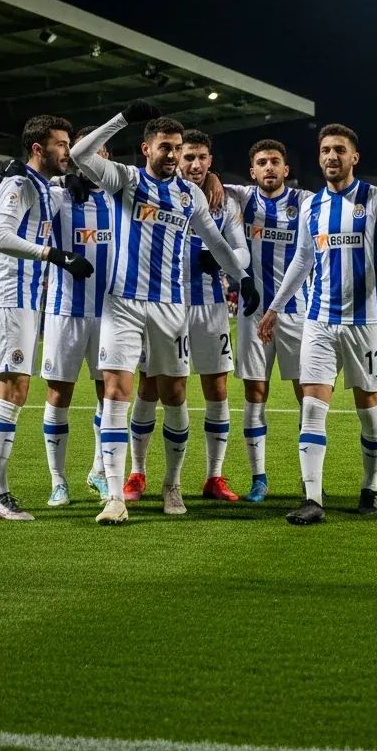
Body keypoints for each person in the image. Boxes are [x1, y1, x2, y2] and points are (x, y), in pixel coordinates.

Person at [70, 103, 258, 525]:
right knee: (118, 393)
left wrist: (240, 277)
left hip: (172, 306)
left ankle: (172, 484)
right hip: (123, 303)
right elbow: (82, 155)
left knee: (174, 396)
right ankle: (115, 496)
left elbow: (216, 239)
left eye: (177, 148)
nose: (173, 156)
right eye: (165, 148)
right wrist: (120, 118)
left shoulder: (188, 194)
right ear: (146, 148)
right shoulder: (126, 179)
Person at [257, 123, 377, 525]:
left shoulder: (376, 199)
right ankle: (312, 498)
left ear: (354, 157)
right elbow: (301, 261)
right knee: (313, 406)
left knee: (368, 410)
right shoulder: (312, 207)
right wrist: (276, 308)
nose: (331, 156)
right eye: (325, 151)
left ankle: (370, 487)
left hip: (366, 324)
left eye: (339, 150)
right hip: (318, 321)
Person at [0, 115, 94, 521]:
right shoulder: (18, 184)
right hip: (8, 295)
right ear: (38, 149)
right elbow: (0, 238)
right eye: (61, 144)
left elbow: (53, 188)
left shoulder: (37, 183)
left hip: (23, 296)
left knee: (2, 391)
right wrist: (53, 255)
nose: (68, 151)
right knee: (14, 389)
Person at [123, 129, 250, 504]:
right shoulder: (156, 189)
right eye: (187, 156)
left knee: (217, 388)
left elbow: (241, 251)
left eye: (201, 158)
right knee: (149, 385)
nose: (194, 164)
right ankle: (137, 472)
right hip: (162, 304)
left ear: (211, 161)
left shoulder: (224, 201)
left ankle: (214, 476)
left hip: (209, 306)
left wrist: (226, 259)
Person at [217, 138, 313, 503]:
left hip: (296, 312)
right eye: (261, 162)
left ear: (286, 170)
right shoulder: (241, 198)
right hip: (251, 313)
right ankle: (259, 478)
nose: (269, 167)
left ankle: (309, 477)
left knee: (307, 396)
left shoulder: (304, 202)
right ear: (252, 171)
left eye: (275, 161)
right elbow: (206, 179)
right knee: (255, 394)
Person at [39, 128, 116, 507]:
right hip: (64, 311)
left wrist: (214, 177)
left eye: (98, 151)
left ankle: (99, 471)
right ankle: (58, 481)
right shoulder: (59, 193)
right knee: (59, 395)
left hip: (110, 315)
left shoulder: (121, 196)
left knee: (109, 395)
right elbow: (31, 194)